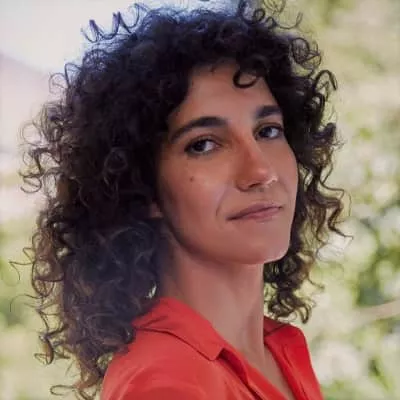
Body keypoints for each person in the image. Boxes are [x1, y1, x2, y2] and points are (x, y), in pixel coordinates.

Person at [21, 0, 346, 399]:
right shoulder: (166, 382)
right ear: (143, 190)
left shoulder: (280, 351)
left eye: (267, 131)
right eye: (204, 144)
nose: (261, 171)